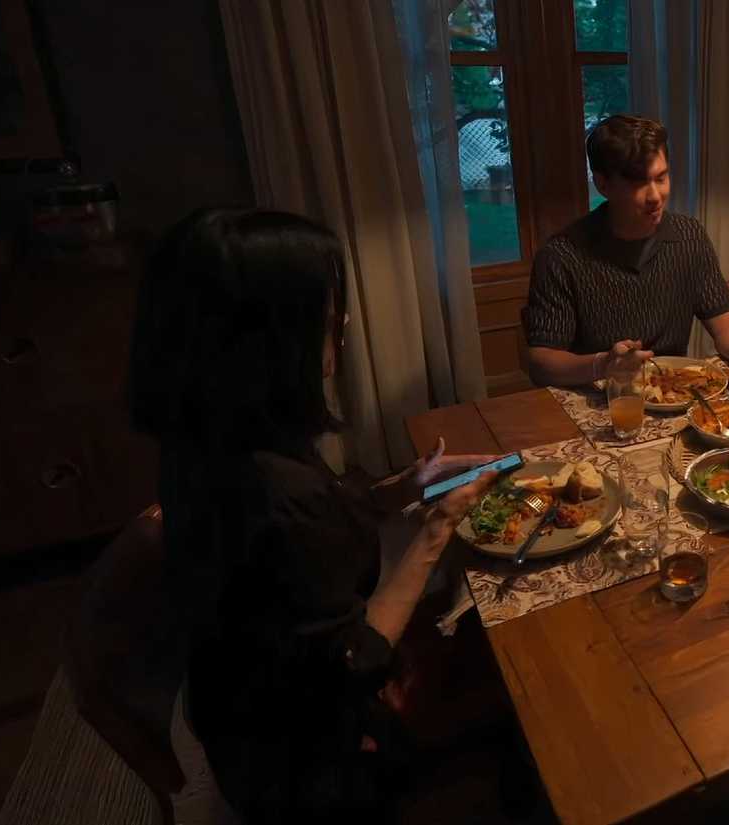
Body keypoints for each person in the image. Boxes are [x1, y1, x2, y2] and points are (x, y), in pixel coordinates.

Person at [127, 208, 497, 824]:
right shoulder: (269, 487)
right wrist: (434, 533)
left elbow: (297, 551)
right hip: (303, 760)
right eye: (326, 317)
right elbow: (355, 658)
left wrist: (396, 489)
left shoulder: (211, 438)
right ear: (262, 340)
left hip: (244, 703)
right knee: (511, 652)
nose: (344, 326)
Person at [522, 114, 729, 386]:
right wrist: (603, 365)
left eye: (661, 178)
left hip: (673, 391)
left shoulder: (689, 236)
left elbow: (724, 320)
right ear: (603, 184)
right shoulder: (561, 255)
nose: (655, 196)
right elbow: (541, 361)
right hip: (597, 397)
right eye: (638, 183)